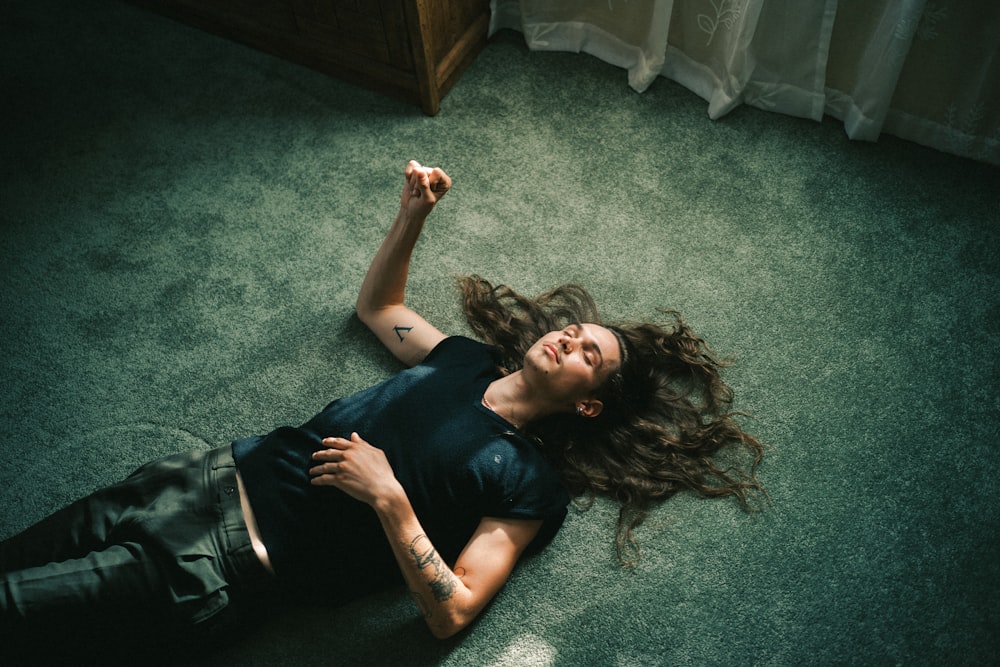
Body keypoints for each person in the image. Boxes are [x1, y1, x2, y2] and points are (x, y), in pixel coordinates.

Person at [0, 161, 765, 659]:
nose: (571, 337)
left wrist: (390, 496)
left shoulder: (530, 486)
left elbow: (452, 613)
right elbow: (379, 306)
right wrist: (412, 215)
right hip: (188, 478)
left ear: (590, 403)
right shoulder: (462, 356)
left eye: (589, 353)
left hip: (218, 565)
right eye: (574, 330)